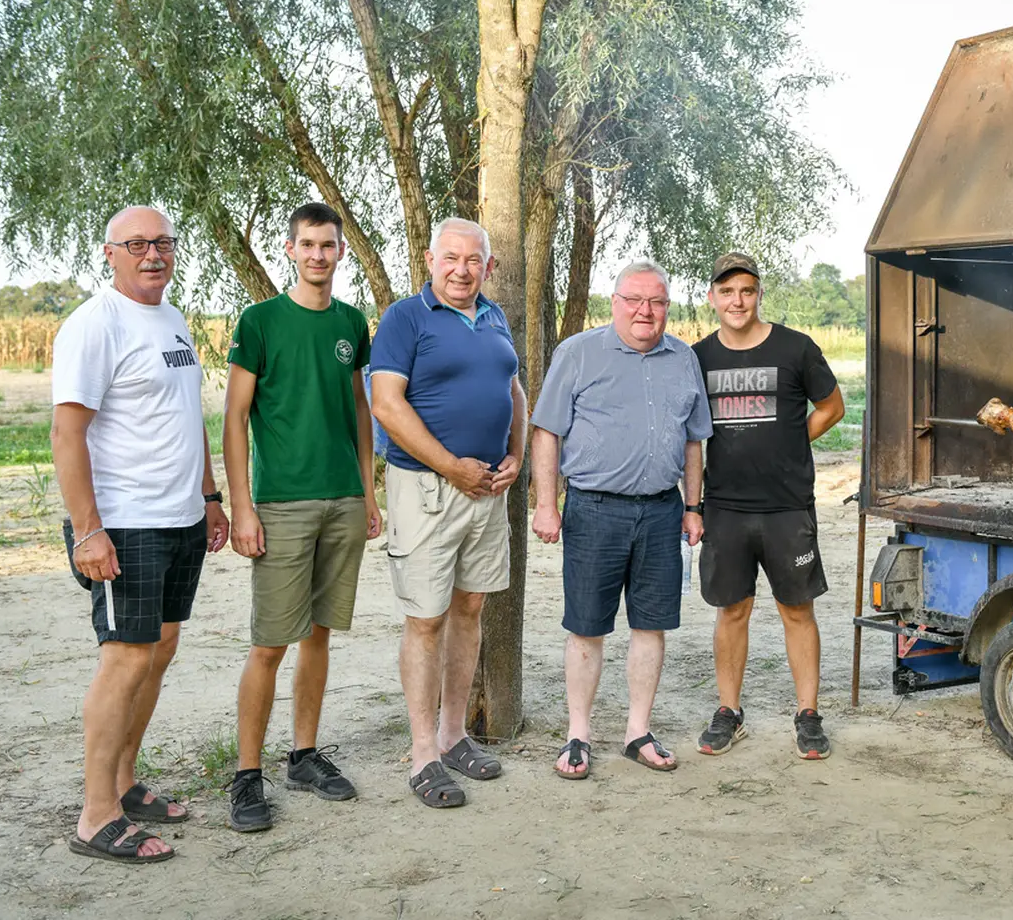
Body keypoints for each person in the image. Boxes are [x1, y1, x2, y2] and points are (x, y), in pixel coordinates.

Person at [54, 206, 230, 863]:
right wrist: (87, 531)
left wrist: (209, 498)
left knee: (159, 648)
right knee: (125, 658)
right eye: (137, 244)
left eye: (161, 243)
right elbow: (67, 433)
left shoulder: (172, 317)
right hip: (124, 524)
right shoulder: (94, 325)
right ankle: (95, 817)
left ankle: (125, 783)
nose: (152, 254)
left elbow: (187, 416)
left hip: (180, 517)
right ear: (110, 253)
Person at [223, 203, 381, 832]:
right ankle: (245, 776)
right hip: (281, 504)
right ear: (290, 250)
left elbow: (360, 409)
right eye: (308, 245)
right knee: (270, 644)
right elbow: (235, 418)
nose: (319, 255)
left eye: (329, 245)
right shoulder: (260, 321)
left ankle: (304, 756)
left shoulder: (350, 323)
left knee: (319, 634)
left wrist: (369, 494)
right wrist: (243, 507)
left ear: (342, 252)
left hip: (343, 500)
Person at [531, 260, 713, 780]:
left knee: (651, 625)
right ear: (614, 302)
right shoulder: (578, 352)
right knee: (586, 626)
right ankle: (578, 736)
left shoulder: (683, 359)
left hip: (662, 511)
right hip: (594, 509)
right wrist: (548, 503)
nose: (645, 311)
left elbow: (695, 439)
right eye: (634, 300)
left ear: (667, 308)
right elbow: (546, 431)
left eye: (656, 302)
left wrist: (694, 506)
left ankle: (638, 731)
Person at [370, 217, 525, 809]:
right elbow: (386, 404)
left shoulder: (495, 315)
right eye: (450, 259)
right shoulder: (405, 319)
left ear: (488, 267)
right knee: (426, 618)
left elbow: (513, 388)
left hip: (488, 490)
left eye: (473, 260)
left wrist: (514, 455)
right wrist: (449, 465)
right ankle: (422, 756)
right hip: (429, 491)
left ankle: (454, 734)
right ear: (431, 261)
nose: (461, 270)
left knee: (470, 607)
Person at [691, 252, 845, 760]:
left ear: (759, 295)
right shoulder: (697, 358)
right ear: (712, 297)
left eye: (748, 291)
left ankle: (808, 714)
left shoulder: (796, 348)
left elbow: (833, 406)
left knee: (796, 610)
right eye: (728, 292)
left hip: (786, 507)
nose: (738, 301)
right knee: (732, 611)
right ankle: (729, 713)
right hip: (725, 508)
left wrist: (793, 441)